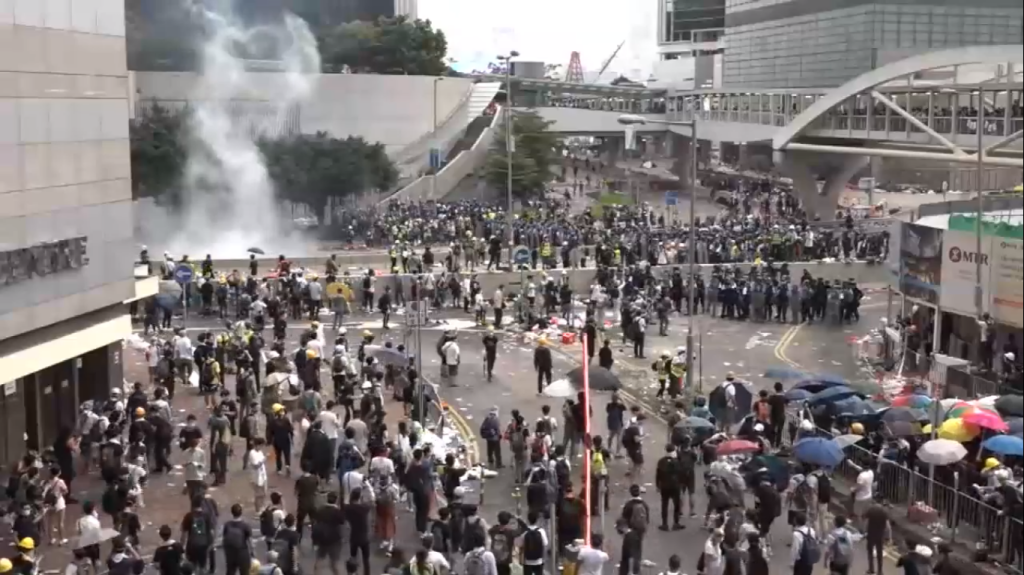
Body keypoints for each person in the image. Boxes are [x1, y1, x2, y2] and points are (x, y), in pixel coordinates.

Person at [221, 504, 253, 575]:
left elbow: (224, 538)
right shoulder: (245, 525)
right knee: (244, 572)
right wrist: (252, 552)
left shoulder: (227, 524)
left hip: (230, 553)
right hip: (242, 552)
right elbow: (250, 541)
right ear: (241, 512)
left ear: (232, 512)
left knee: (230, 571)